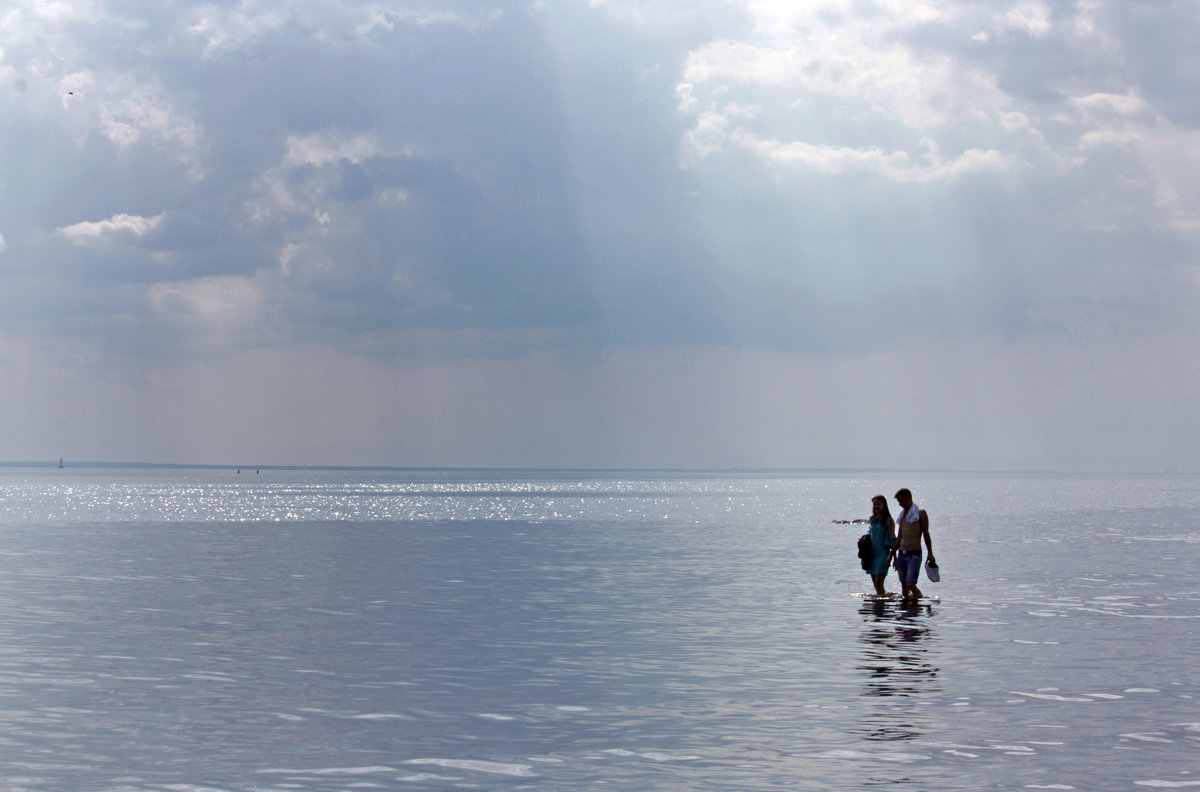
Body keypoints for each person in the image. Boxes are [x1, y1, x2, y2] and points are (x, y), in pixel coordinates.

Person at [887, 488, 934, 601]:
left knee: (910, 584)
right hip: (902, 554)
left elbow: (926, 533)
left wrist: (930, 553)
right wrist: (892, 555)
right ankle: (907, 610)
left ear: (908, 498)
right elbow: (899, 538)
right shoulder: (903, 516)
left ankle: (920, 603)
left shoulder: (920, 513)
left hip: (915, 554)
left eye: (901, 501)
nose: (899, 504)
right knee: (904, 587)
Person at [866, 495, 895, 596]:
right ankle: (879, 606)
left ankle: (882, 608)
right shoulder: (872, 519)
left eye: (878, 504)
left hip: (883, 555)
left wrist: (893, 557)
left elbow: (893, 539)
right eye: (874, 504)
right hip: (872, 555)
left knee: (879, 584)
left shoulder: (888, 520)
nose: (876, 506)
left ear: (884, 505)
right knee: (875, 584)